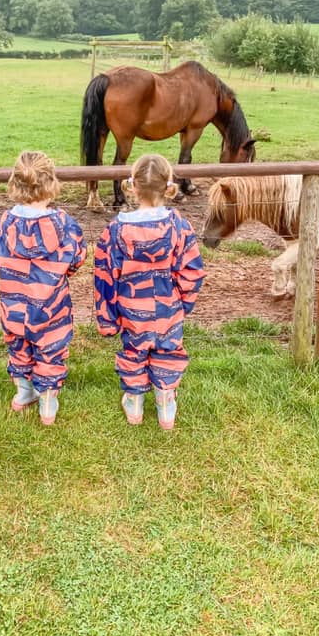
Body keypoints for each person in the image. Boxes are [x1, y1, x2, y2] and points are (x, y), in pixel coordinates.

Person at [93, 153, 205, 429]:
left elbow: (105, 275)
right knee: (168, 351)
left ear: (132, 187)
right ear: (168, 188)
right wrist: (183, 302)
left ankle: (135, 404)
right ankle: (165, 404)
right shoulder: (179, 226)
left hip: (132, 309)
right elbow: (192, 270)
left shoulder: (116, 231)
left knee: (134, 350)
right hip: (169, 307)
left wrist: (107, 318)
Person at [0, 150, 87, 425]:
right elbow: (77, 258)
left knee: (18, 347)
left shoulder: (4, 224)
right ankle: (47, 401)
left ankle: (23, 392)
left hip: (14, 305)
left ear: (14, 183)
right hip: (51, 306)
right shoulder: (65, 225)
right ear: (51, 182)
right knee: (50, 351)